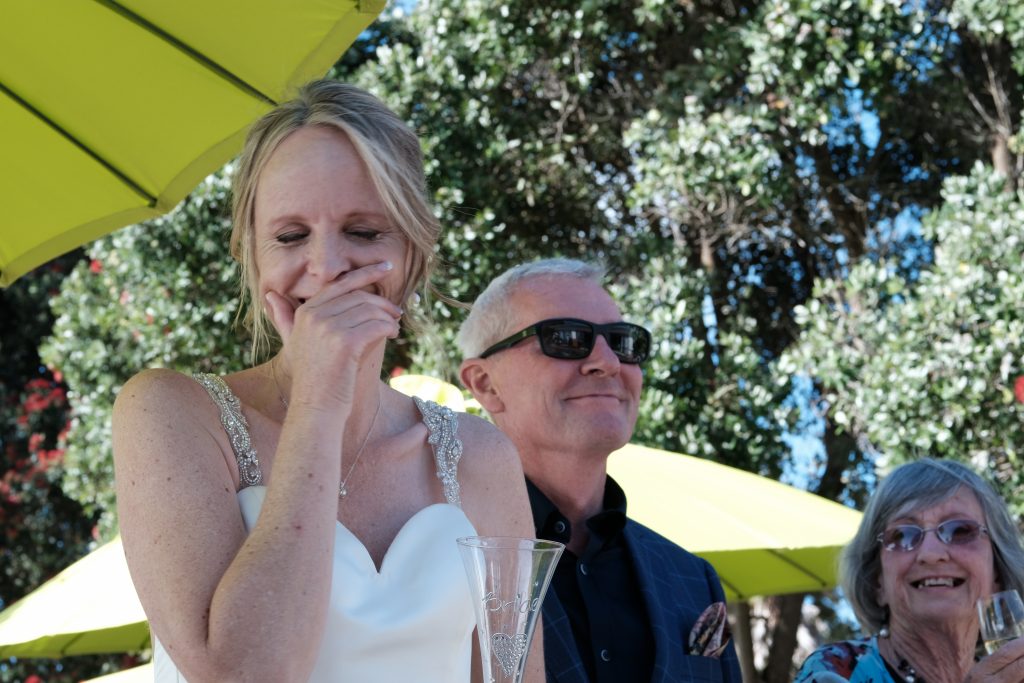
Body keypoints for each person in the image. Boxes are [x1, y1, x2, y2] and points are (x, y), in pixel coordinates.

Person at [113, 80, 541, 683]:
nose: (327, 266)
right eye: (290, 236)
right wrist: (319, 403)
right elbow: (241, 675)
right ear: (251, 254)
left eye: (363, 232)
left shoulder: (483, 456)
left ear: (414, 252)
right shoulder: (168, 413)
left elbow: (512, 676)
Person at [457, 258, 742, 683]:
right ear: (485, 383)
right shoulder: (441, 555)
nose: (608, 362)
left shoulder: (692, 578)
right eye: (567, 338)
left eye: (624, 343)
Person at [794, 458, 1024, 682]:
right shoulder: (835, 669)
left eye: (960, 530)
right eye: (902, 535)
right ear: (878, 581)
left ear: (997, 571)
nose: (931, 554)